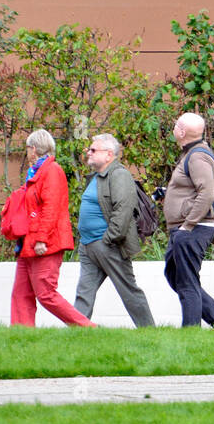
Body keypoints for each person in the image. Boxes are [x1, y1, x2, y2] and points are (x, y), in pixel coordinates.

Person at [9, 129, 96, 328]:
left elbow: (51, 208)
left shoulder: (52, 171)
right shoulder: (37, 172)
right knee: (21, 293)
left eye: (27, 149)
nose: (27, 153)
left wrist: (41, 239)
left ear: (33, 149)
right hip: (27, 243)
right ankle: (20, 335)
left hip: (45, 242)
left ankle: (87, 327)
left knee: (46, 293)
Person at [73, 133, 155, 327]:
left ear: (109, 154)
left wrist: (108, 239)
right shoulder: (96, 176)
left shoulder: (119, 174)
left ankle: (150, 330)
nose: (89, 153)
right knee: (84, 292)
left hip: (108, 245)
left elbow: (123, 210)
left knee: (128, 290)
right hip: (88, 245)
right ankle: (76, 331)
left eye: (93, 150)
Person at [162, 112, 214, 327]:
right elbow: (193, 189)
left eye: (176, 125)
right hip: (185, 228)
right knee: (175, 276)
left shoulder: (197, 156)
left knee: (187, 282)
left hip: (193, 228)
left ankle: (191, 331)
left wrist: (188, 224)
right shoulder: (190, 153)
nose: (173, 128)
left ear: (182, 132)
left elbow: (207, 193)